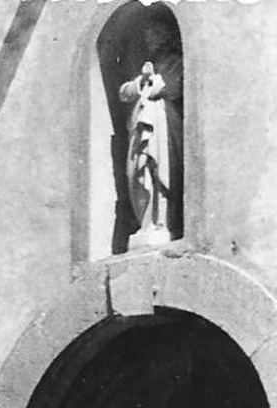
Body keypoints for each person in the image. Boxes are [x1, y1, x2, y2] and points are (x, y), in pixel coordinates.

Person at [118, 21, 184, 246]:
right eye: (148, 38)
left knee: (161, 173)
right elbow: (124, 93)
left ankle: (162, 222)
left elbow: (170, 87)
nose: (151, 42)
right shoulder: (146, 71)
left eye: (155, 36)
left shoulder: (175, 63)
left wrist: (152, 83)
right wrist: (142, 81)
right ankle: (146, 222)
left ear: (165, 38)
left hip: (164, 129)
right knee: (140, 173)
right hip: (142, 132)